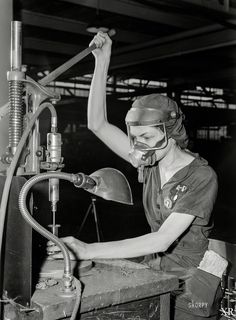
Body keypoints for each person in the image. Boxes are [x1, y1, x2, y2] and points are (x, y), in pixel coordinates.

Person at [48, 32, 227, 319]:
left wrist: (86, 249)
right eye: (134, 138)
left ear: (170, 133)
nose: (137, 147)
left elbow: (162, 240)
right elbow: (98, 124)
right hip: (155, 273)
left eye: (145, 136)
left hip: (194, 284)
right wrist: (102, 61)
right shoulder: (150, 160)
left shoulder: (202, 177)